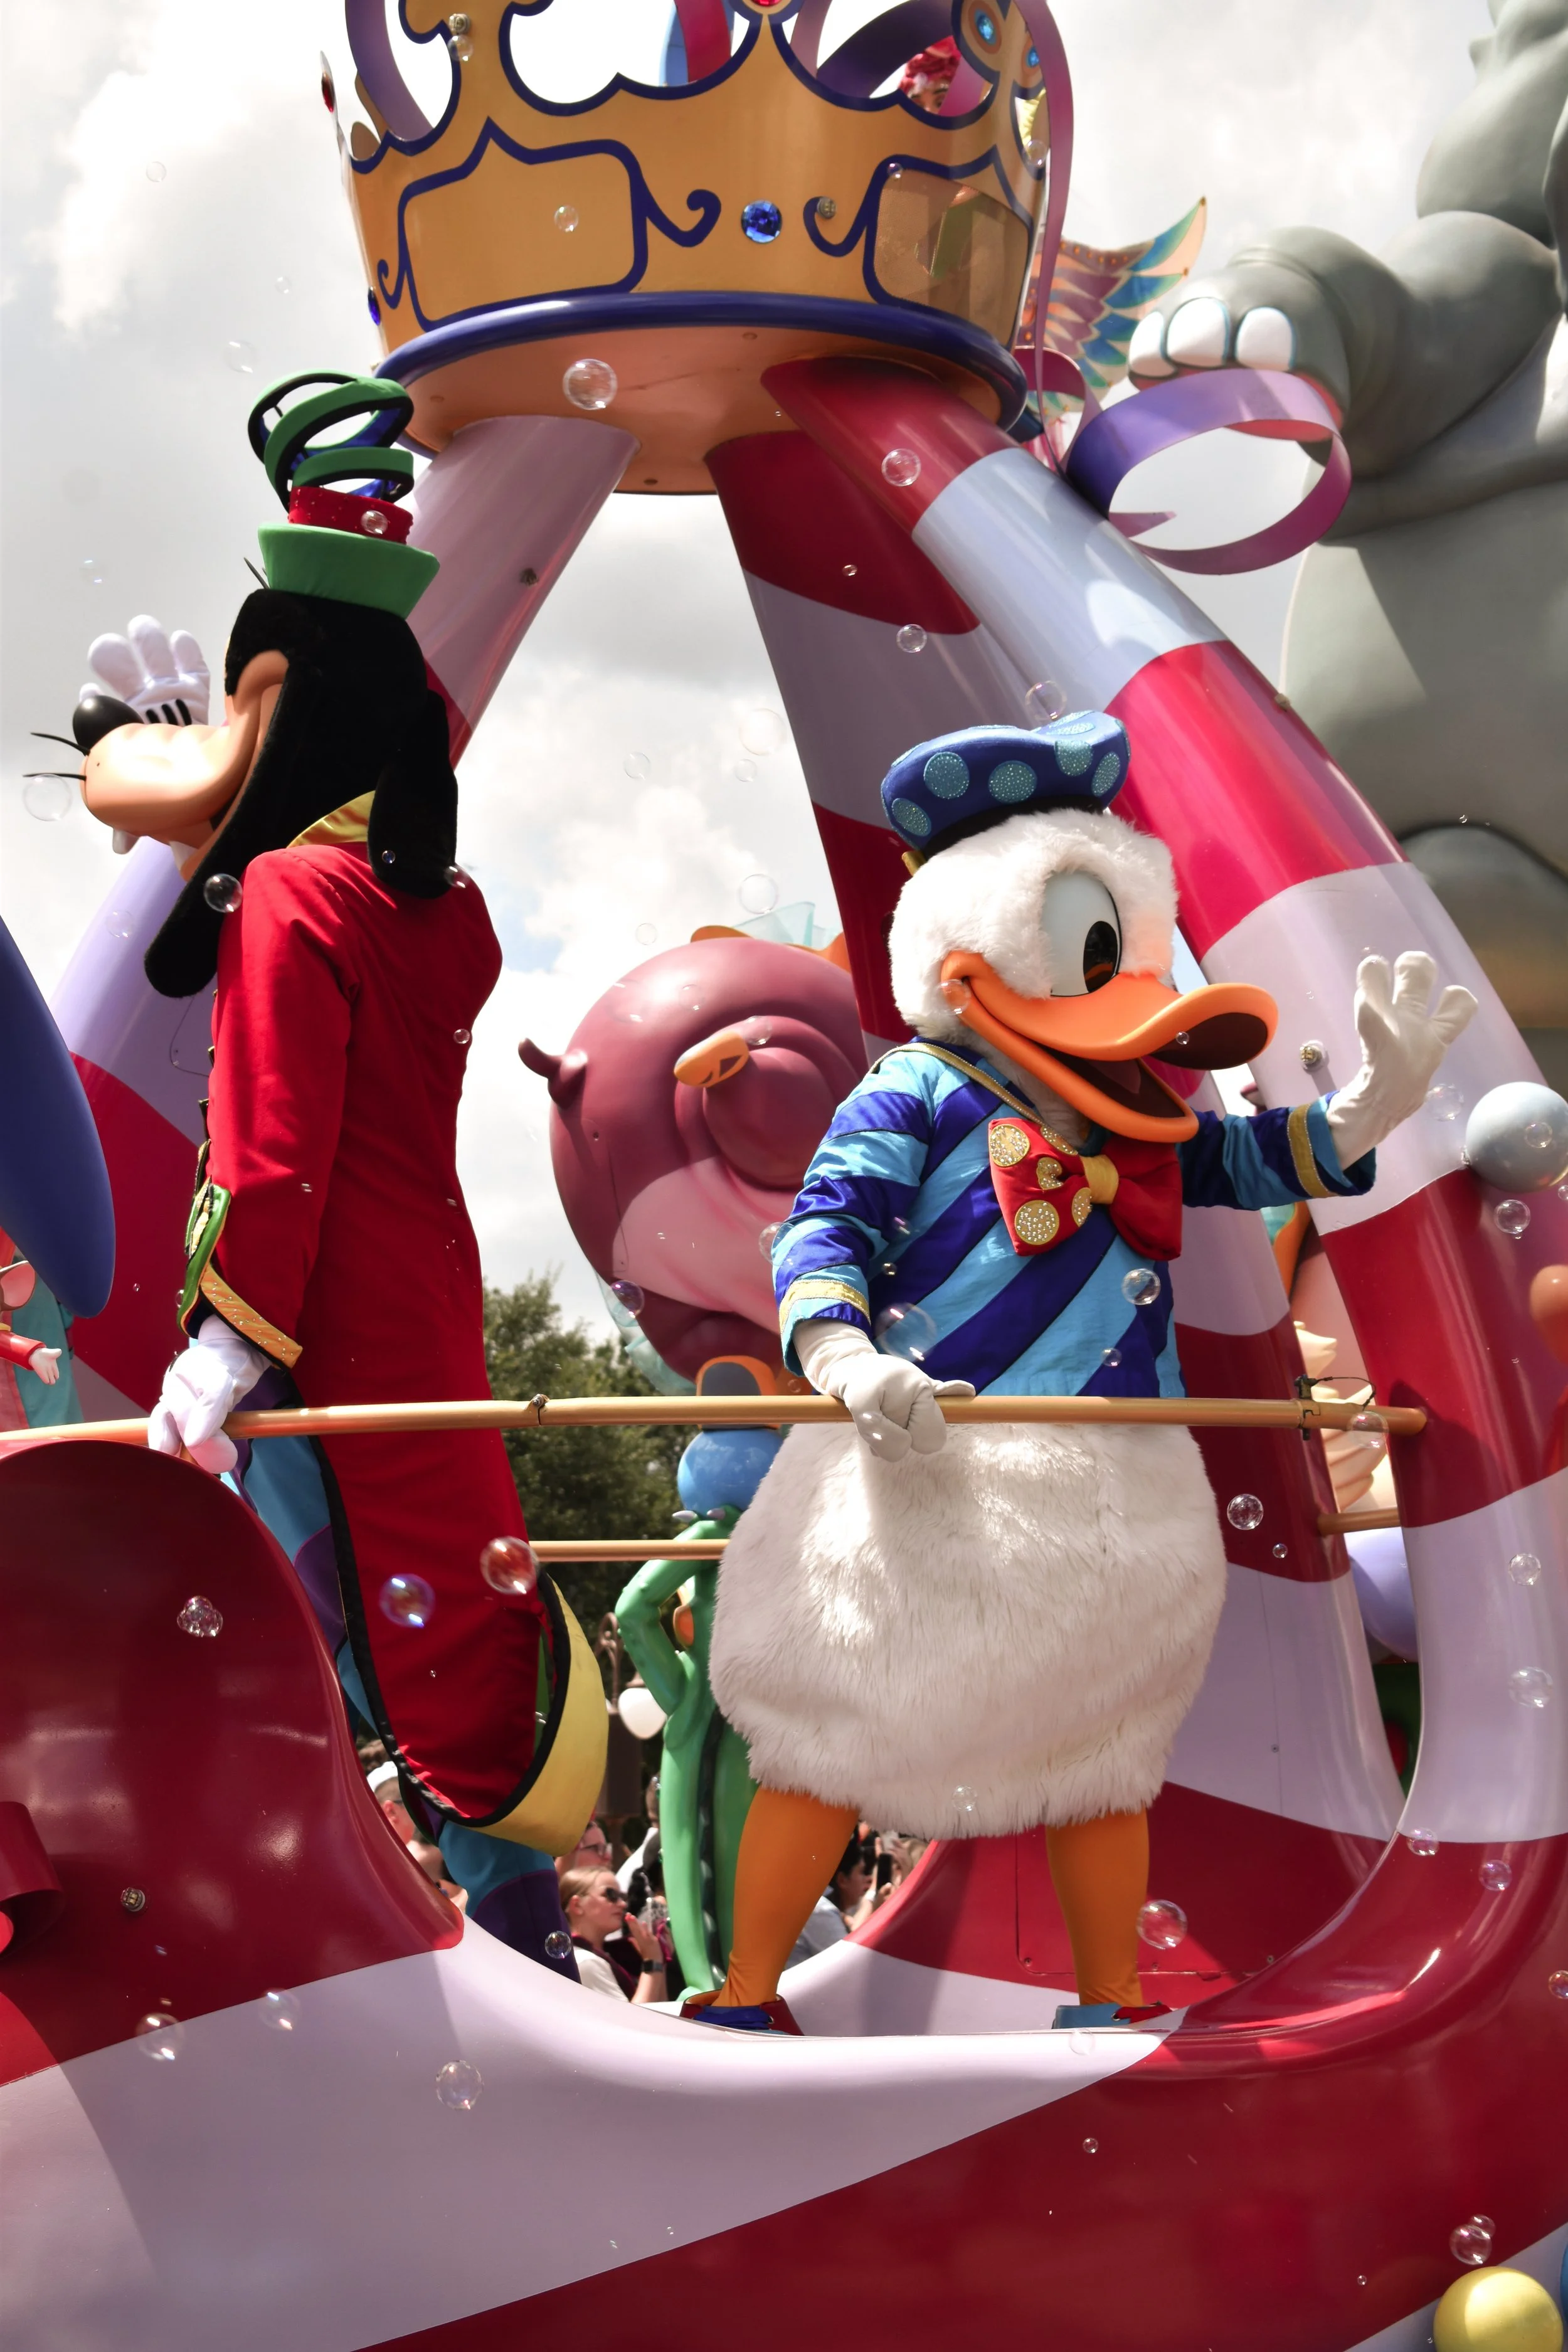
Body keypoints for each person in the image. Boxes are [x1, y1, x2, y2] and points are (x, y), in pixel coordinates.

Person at [73, 378, 605, 1966]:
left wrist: (226, 1338)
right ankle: (526, 1960)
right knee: (442, 1659)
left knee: (319, 1638)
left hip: (310, 1326)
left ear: (289, 709)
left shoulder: (301, 896)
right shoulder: (433, 905)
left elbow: (276, 1143)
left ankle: (394, 1975)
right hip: (420, 1296)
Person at [559, 1867, 668, 2005]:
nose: (623, 1904)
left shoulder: (614, 1955)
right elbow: (633, 2020)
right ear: (577, 1905)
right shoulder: (586, 1962)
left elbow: (663, 2007)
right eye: (611, 1895)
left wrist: (658, 1954)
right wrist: (652, 1962)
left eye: (622, 1897)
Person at [787, 1830, 875, 1969]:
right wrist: (871, 1898)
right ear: (842, 1880)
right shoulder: (819, 1910)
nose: (868, 1879)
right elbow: (852, 1965)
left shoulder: (820, 1908)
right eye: (862, 1872)